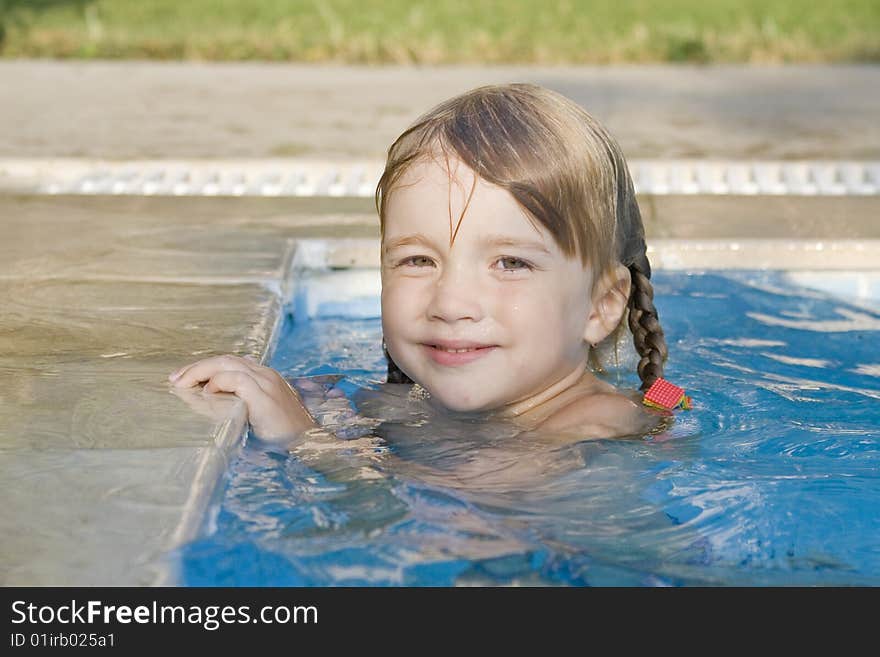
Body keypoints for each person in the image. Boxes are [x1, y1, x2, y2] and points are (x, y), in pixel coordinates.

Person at [169, 83, 670, 444]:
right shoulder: (421, 402)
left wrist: (305, 441)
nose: (450, 304)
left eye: (511, 263)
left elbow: (454, 529)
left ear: (600, 307)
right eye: (417, 259)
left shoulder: (591, 425)